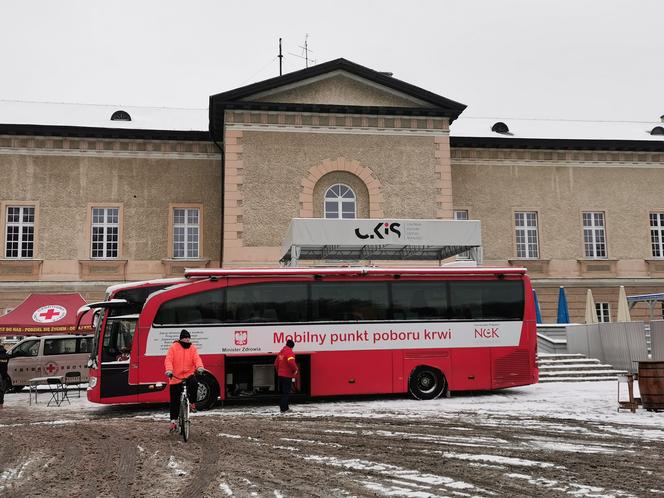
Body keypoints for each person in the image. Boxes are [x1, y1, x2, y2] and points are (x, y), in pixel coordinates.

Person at [164, 329, 204, 432]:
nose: (187, 340)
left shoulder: (193, 348)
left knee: (194, 383)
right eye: (185, 338)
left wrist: (199, 367)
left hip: (188, 375)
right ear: (181, 339)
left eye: (188, 338)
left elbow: (197, 359)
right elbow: (168, 360)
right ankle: (173, 421)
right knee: (174, 400)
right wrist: (169, 370)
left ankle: (192, 403)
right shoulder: (173, 347)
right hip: (175, 376)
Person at [274, 339, 298, 413]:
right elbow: (291, 362)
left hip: (280, 375)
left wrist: (279, 371)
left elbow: (275, 364)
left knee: (283, 393)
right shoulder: (289, 352)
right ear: (292, 346)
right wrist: (295, 369)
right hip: (287, 375)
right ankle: (284, 409)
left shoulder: (281, 352)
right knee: (286, 393)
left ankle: (284, 408)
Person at [0, 342, 9, 408]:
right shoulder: (6, 355)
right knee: (2, 390)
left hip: (1, 375)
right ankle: (1, 405)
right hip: (4, 375)